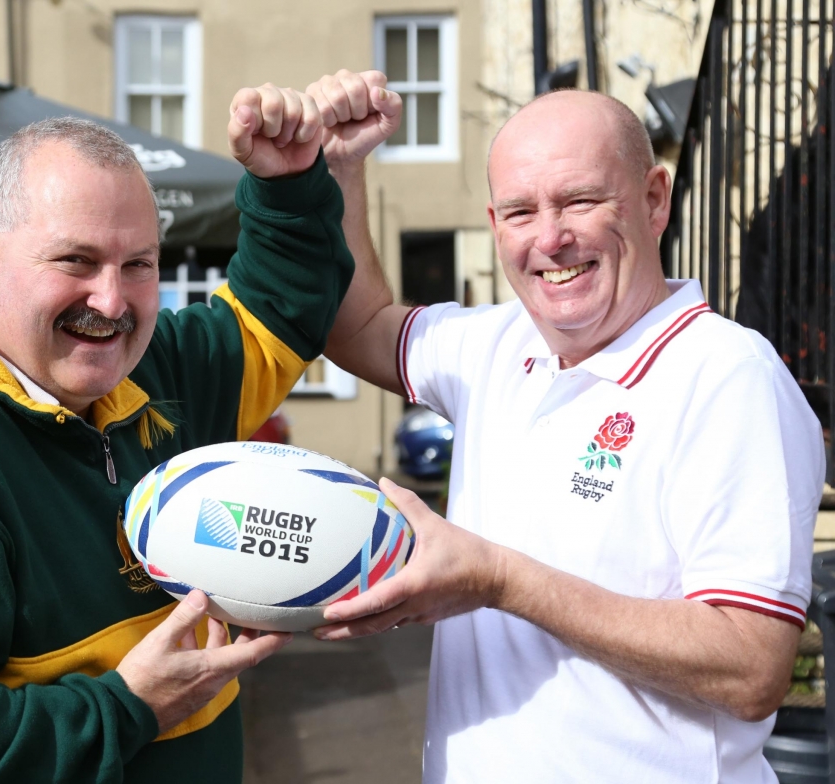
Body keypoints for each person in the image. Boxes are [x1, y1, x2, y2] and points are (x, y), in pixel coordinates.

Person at [0, 82, 350, 782]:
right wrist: (128, 707)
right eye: (75, 261)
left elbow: (281, 306)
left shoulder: (153, 372)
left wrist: (287, 182)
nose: (112, 301)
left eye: (139, 265)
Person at [310, 71, 825, 783]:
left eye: (580, 201)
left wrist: (497, 580)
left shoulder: (729, 376)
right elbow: (359, 325)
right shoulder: (497, 344)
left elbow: (752, 666)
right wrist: (341, 168)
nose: (549, 238)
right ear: (496, 226)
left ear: (654, 201)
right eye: (520, 212)